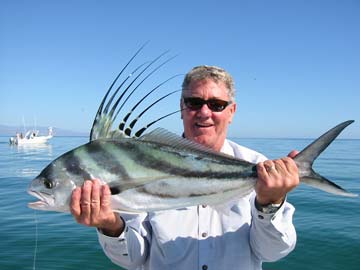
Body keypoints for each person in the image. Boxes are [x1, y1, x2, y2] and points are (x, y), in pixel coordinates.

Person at [70, 65, 299, 270]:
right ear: (182, 107)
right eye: (194, 102)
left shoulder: (259, 168)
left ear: (232, 111)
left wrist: (270, 203)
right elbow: (133, 259)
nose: (204, 113)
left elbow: (273, 252)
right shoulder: (136, 164)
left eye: (217, 105)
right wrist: (111, 226)